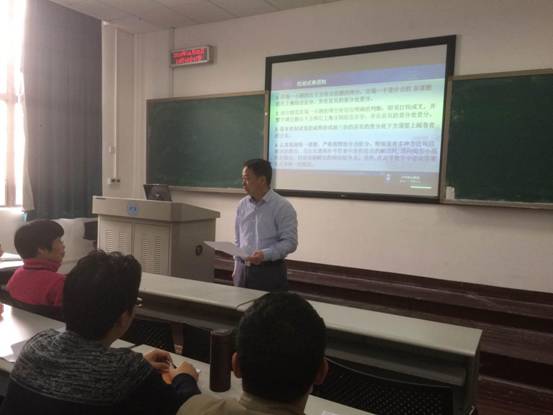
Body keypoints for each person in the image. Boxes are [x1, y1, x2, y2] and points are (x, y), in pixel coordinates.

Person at [0, 250, 200, 415]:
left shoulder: (37, 344)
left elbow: (78, 367)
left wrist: (139, 367)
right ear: (123, 317)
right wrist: (185, 378)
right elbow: (180, 408)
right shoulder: (126, 371)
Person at [177, 292, 328, 415]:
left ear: (236, 366)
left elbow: (190, 402)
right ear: (321, 372)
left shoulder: (192, 409)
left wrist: (184, 379)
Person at [234, 159, 298, 291]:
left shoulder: (282, 206)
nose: (243, 183)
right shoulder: (242, 205)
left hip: (269, 272)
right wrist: (236, 267)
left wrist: (265, 254)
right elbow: (238, 239)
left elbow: (290, 242)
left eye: (247, 178)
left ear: (262, 180)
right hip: (242, 270)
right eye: (242, 178)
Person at [6, 220, 66, 306]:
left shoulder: (17, 274)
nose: (63, 246)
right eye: (59, 241)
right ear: (41, 249)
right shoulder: (59, 282)